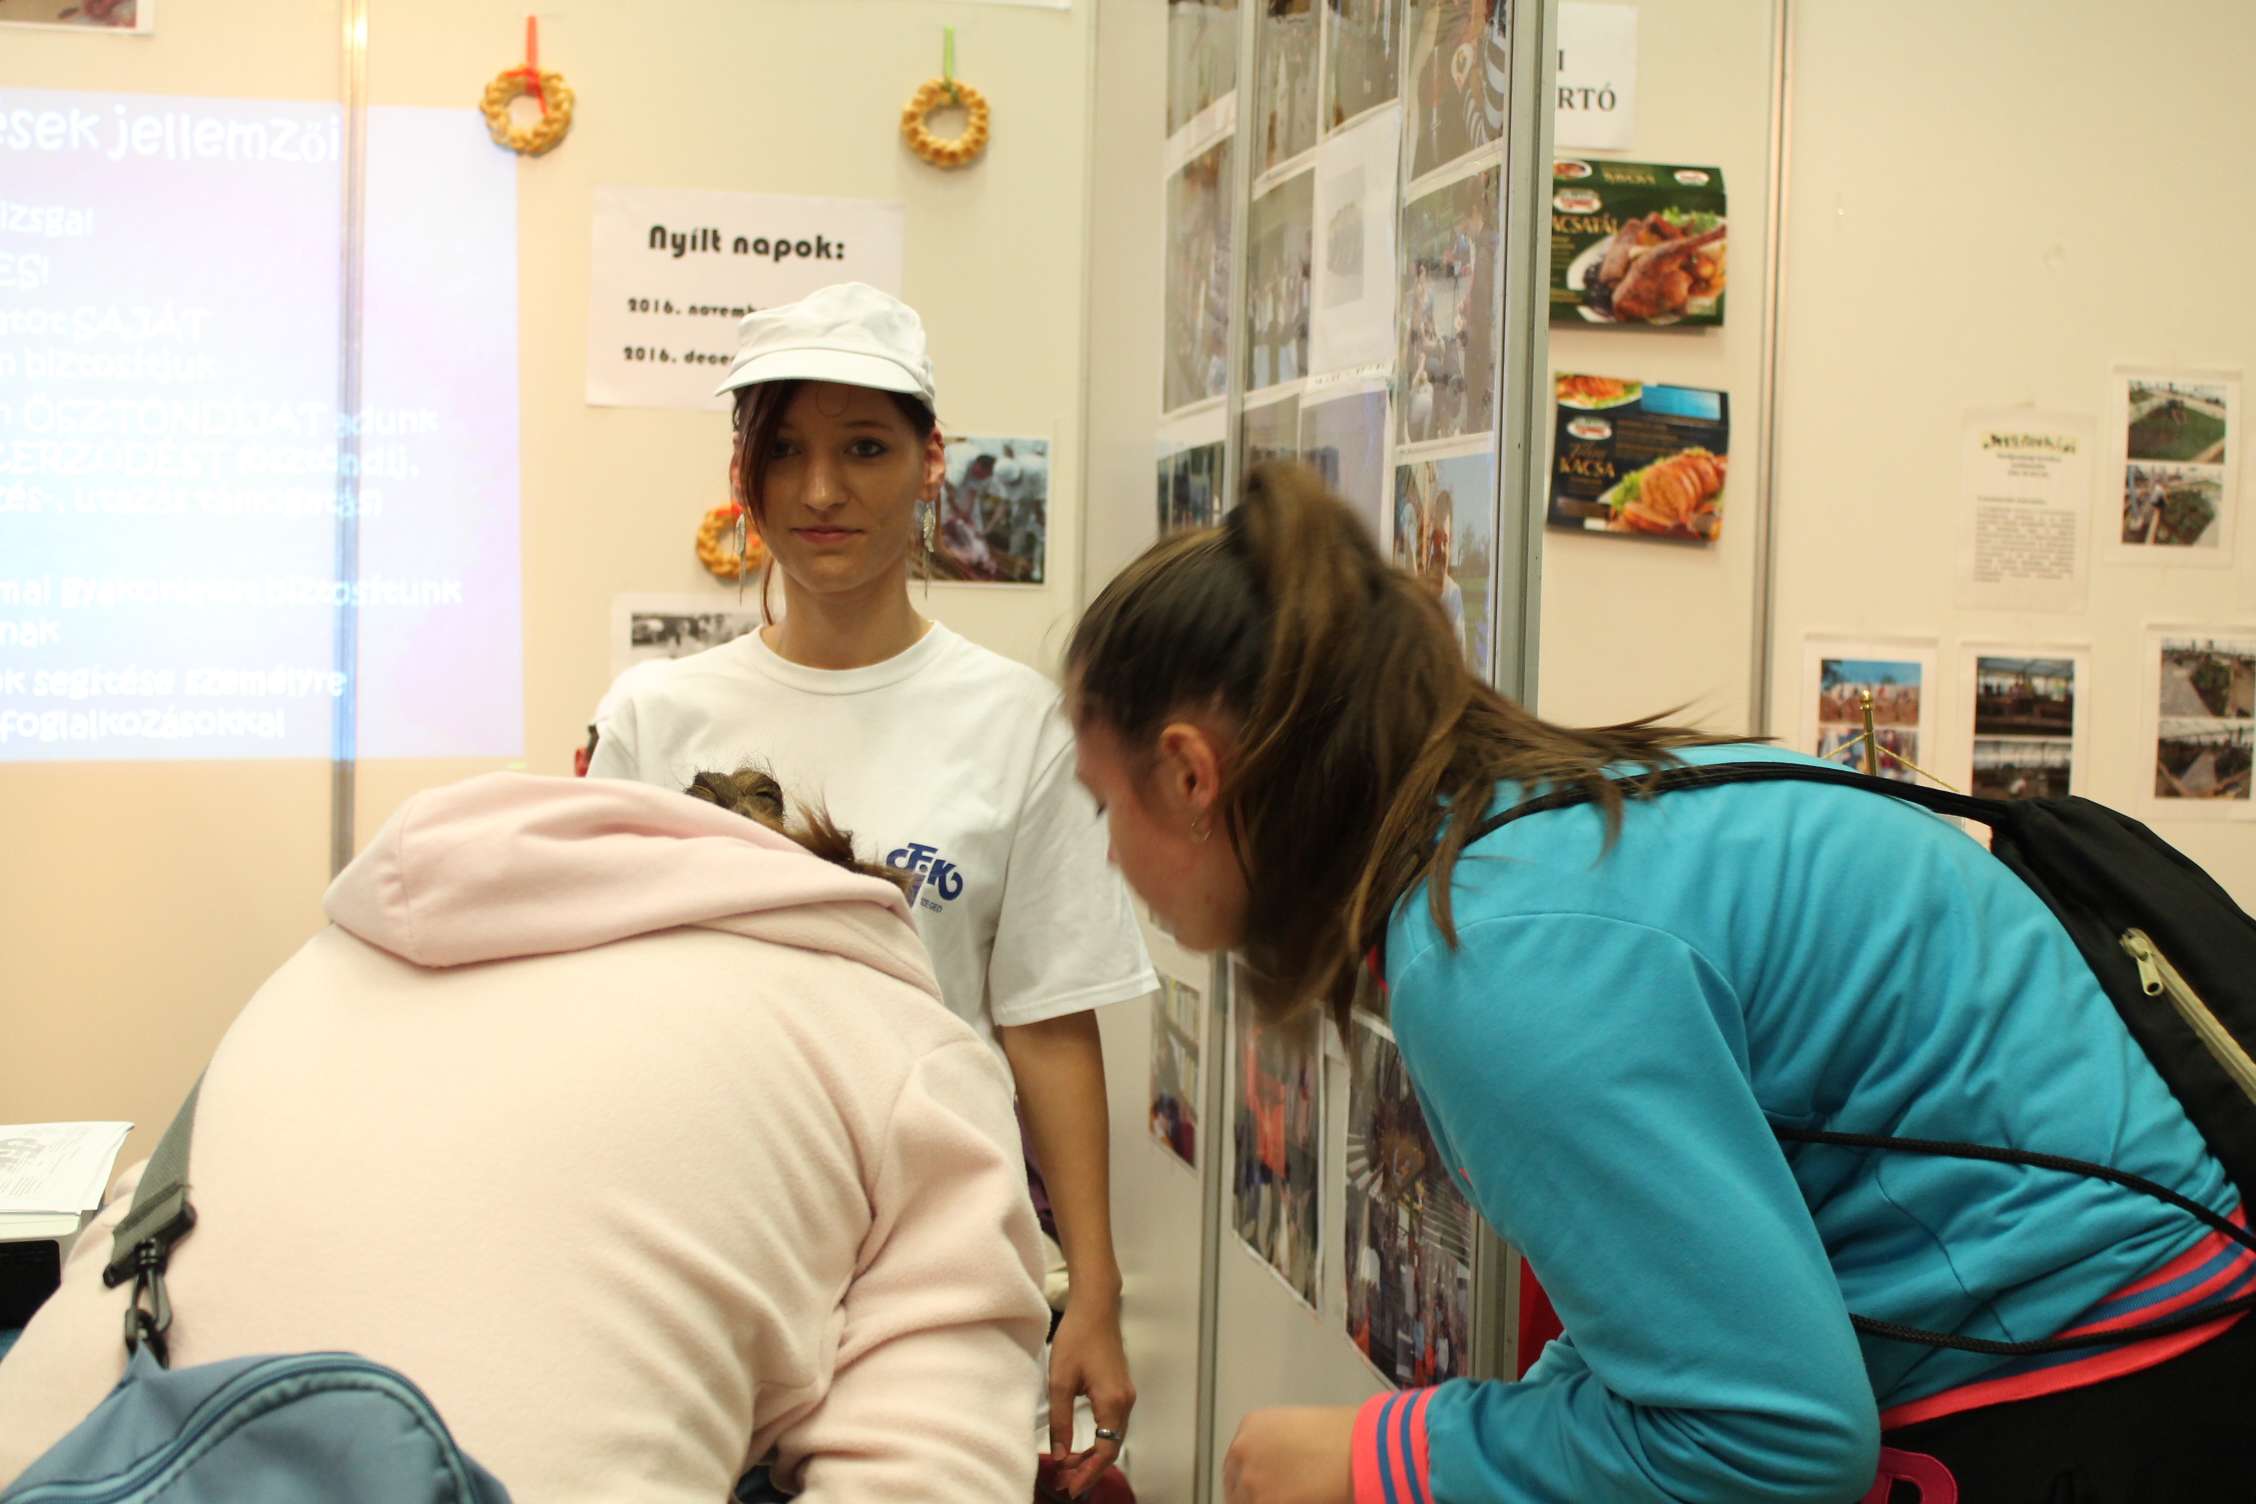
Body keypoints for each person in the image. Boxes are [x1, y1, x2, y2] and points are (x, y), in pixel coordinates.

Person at [1064, 464, 2256, 1504]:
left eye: (1102, 801)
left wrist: (1379, 1456)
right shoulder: (1546, 831)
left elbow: (1776, 1439)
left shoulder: (1494, 951)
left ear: (1190, 777)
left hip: (2099, 1380)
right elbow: (1672, 1316)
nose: (1109, 852)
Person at [0, 768, 1050, 1504]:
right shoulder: (898, 1035)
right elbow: (931, 1472)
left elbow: (138, 1220)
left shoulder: (333, 956)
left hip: (68, 1461)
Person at [588, 282, 1152, 1491]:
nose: (819, 491)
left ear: (931, 461)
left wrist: (1095, 1293)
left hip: (933, 1264)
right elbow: (603, 1014)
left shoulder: (1018, 724)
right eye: (783, 451)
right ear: (742, 473)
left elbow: (1045, 1021)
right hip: (703, 1243)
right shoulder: (653, 716)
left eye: (863, 448)